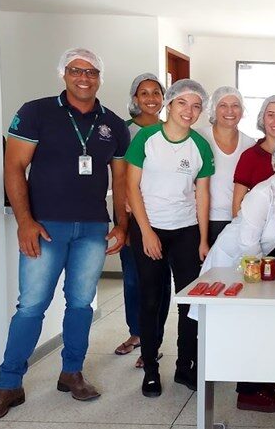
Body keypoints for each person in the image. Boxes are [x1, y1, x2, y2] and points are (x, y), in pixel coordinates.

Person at [0, 48, 129, 421]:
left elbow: (122, 177)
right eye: (75, 70)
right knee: (31, 306)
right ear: (62, 74)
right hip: (45, 227)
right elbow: (13, 167)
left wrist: (121, 223)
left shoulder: (112, 123)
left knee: (81, 304)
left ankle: (71, 373)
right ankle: (9, 383)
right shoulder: (35, 112)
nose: (84, 77)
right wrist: (25, 222)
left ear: (100, 76)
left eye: (92, 71)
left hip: (92, 228)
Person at [202, 137, 275, 413]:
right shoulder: (261, 195)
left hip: (269, 270)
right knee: (249, 327)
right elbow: (248, 247)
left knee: (269, 327)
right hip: (239, 267)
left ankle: (264, 380)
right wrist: (265, 282)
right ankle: (248, 391)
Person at [125, 79, 215, 398]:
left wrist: (203, 239)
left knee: (189, 302)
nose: (188, 111)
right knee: (151, 299)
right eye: (182, 104)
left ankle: (185, 366)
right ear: (170, 104)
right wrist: (147, 231)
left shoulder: (200, 145)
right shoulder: (147, 138)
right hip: (149, 227)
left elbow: (202, 195)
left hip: (186, 231)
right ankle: (150, 367)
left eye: (195, 106)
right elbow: (131, 187)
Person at [114, 73, 169, 370]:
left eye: (156, 93)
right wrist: (123, 219)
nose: (150, 98)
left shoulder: (172, 129)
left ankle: (153, 342)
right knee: (133, 278)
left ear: (164, 98)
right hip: (131, 214)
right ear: (135, 98)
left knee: (158, 281)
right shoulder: (124, 130)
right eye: (144, 93)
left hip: (163, 215)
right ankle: (136, 333)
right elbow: (119, 177)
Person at [197, 86, 255, 246]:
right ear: (213, 110)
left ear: (242, 111)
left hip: (237, 220)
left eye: (235, 105)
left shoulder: (250, 144)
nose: (230, 110)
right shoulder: (199, 137)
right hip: (200, 221)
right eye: (223, 105)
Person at [232, 94, 275, 216]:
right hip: (256, 228)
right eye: (271, 115)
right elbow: (237, 203)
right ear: (263, 118)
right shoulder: (249, 157)